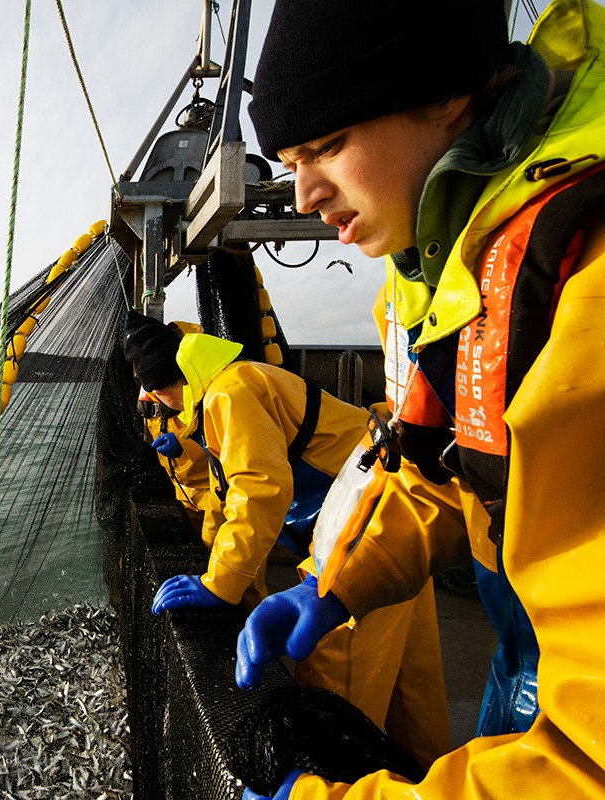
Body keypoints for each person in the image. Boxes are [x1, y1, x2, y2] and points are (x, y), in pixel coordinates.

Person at [236, 0, 605, 797]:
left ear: (443, 94)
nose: (302, 195)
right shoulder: (430, 288)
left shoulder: (586, 286)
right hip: (529, 667)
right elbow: (441, 472)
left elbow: (593, 759)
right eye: (291, 159)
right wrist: (331, 585)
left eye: (327, 145)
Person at [123, 311, 451, 769]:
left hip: (360, 537)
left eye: (150, 391)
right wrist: (216, 571)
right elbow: (227, 493)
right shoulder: (225, 387)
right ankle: (426, 773)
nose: (150, 402)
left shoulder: (229, 396)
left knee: (334, 684)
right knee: (413, 685)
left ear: (165, 385)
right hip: (395, 520)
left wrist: (221, 583)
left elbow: (259, 488)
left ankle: (338, 784)